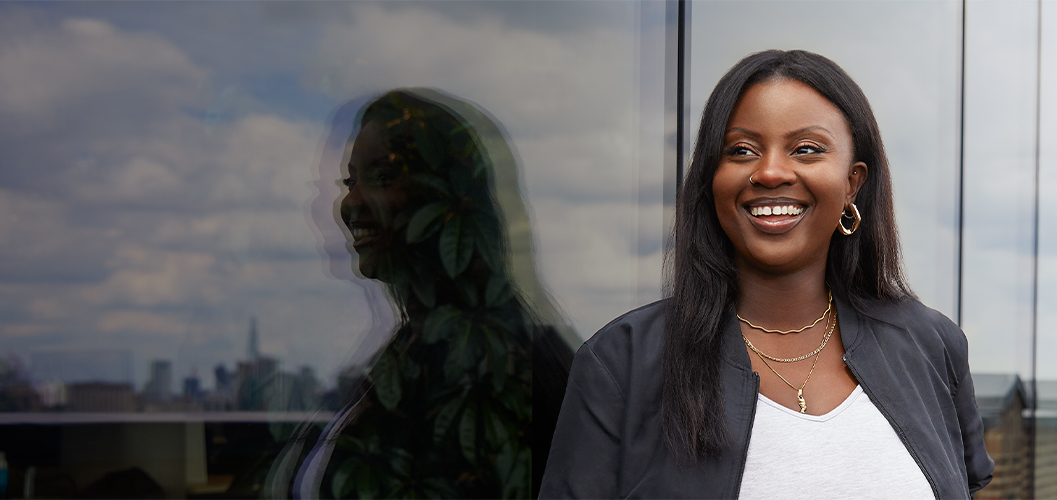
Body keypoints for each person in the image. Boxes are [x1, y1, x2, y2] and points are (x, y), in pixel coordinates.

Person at [539, 50, 993, 498]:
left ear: (852, 183)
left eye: (807, 149)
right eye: (741, 150)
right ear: (712, 179)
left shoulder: (930, 344)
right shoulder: (622, 363)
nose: (771, 171)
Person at [274, 89, 575, 499]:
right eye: (351, 180)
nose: (350, 203)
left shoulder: (492, 361)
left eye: (382, 177)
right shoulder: (415, 347)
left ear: (450, 197)